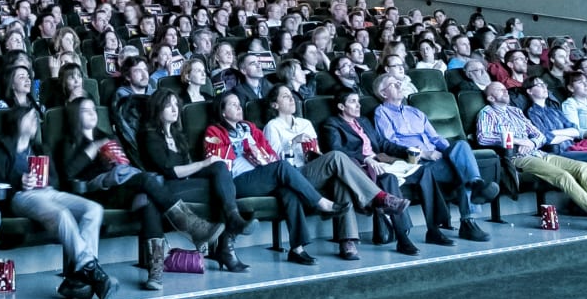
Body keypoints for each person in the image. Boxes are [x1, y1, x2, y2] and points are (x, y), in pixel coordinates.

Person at [58, 97, 220, 291]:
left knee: (149, 199)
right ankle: (191, 225)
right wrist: (93, 148)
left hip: (124, 187)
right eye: (86, 110)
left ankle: (155, 272)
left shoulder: (107, 136)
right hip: (99, 194)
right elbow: (68, 174)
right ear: (75, 115)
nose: (93, 113)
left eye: (94, 109)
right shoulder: (68, 142)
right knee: (146, 180)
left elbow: (124, 165)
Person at [0, 105, 117, 299]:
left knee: (93, 209)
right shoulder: (0, 148)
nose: (35, 122)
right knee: (62, 214)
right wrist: (19, 181)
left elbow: (55, 181)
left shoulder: (40, 148)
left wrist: (44, 181)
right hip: (21, 196)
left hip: (49, 193)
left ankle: (80, 280)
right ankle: (90, 268)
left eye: (35, 119)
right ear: (17, 122)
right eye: (30, 118)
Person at [262, 83, 411, 260]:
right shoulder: (272, 126)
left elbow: (315, 152)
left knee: (340, 179)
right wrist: (293, 143)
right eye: (285, 96)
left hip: (312, 169)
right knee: (337, 156)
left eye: (291, 95)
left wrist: (316, 155)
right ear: (275, 105)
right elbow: (274, 163)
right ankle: (380, 198)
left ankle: (346, 241)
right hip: (293, 174)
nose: (291, 99)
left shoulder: (305, 123)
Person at [204, 92, 341, 267]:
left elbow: (270, 152)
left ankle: (297, 249)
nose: (239, 107)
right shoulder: (214, 131)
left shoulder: (249, 127)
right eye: (232, 105)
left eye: (239, 103)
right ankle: (321, 203)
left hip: (262, 175)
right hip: (238, 181)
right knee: (283, 167)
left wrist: (258, 151)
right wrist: (244, 147)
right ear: (222, 112)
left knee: (289, 191)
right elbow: (217, 160)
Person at [476, 83, 587, 227]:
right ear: (490, 98)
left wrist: (532, 143)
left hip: (539, 152)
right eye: (499, 89)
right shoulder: (487, 113)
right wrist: (519, 141)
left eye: (505, 88)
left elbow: (539, 135)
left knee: (583, 168)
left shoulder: (515, 111)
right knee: (563, 176)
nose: (505, 90)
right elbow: (483, 137)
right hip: (518, 157)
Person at [373, 75, 498, 245]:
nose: (399, 85)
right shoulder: (382, 112)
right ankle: (468, 221)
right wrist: (424, 153)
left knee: (461, 148)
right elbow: (390, 142)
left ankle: (475, 183)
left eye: (399, 82)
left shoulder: (415, 112)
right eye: (394, 84)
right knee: (462, 170)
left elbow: (435, 137)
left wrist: (449, 152)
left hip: (436, 157)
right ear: (383, 92)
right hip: (414, 162)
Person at [141, 90, 255, 273]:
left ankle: (231, 226)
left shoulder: (178, 136)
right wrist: (203, 163)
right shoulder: (150, 136)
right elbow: (171, 172)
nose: (174, 108)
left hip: (186, 184)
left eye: (175, 104)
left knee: (220, 171)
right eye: (168, 105)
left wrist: (209, 164)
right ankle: (227, 247)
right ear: (157, 108)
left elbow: (188, 168)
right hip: (166, 188)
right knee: (220, 184)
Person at [319, 92, 428, 254]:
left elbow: (382, 143)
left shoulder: (363, 121)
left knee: (390, 177)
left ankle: (402, 236)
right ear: (341, 107)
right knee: (386, 179)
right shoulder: (332, 124)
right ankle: (399, 232)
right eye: (353, 102)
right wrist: (366, 158)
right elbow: (336, 151)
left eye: (359, 101)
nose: (358, 105)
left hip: (378, 164)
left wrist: (406, 151)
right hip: (356, 167)